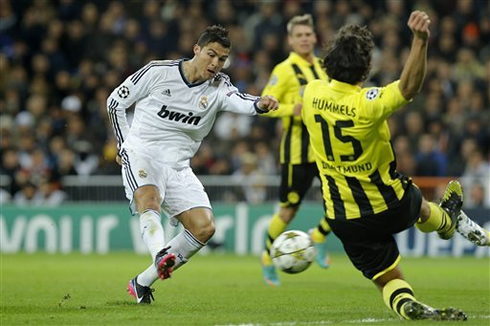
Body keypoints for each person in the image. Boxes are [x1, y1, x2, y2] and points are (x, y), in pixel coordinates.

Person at [301, 11, 490, 321]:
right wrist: (420, 40)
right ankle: (448, 222)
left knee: (386, 276)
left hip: (343, 217)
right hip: (390, 203)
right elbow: (408, 87)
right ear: (365, 71)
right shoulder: (367, 103)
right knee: (420, 204)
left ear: (328, 64)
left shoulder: (311, 94)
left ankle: (405, 304)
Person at [106, 25, 278, 304]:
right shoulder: (157, 71)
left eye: (222, 59)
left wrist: (260, 104)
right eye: (211, 54)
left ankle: (142, 282)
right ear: (196, 49)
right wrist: (123, 146)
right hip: (142, 153)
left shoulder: (219, 86)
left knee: (204, 228)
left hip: (179, 166)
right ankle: (160, 252)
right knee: (149, 200)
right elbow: (115, 102)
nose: (215, 63)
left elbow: (240, 100)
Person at [260, 14, 332, 287]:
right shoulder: (284, 70)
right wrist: (293, 109)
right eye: (298, 35)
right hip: (296, 153)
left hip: (326, 151)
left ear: (314, 38)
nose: (304, 39)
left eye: (307, 34)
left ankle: (318, 236)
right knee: (288, 211)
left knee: (343, 204)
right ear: (290, 40)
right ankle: (268, 258)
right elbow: (265, 105)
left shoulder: (325, 67)